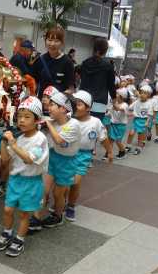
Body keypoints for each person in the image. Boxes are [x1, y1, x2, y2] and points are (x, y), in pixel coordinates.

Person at [0, 96, 49, 257]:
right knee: (8, 210)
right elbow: (4, 160)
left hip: (31, 182)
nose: (22, 120)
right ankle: (7, 232)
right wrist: (4, 143)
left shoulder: (40, 139)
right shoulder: (18, 137)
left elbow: (29, 159)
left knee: (24, 213)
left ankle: (19, 239)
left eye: (27, 117)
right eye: (19, 117)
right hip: (15, 180)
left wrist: (13, 143)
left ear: (37, 120)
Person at [70, 90, 112, 221]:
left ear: (88, 108)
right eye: (73, 104)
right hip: (66, 153)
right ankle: (59, 204)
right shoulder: (68, 118)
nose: (74, 107)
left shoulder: (95, 122)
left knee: (75, 182)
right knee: (63, 182)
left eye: (79, 104)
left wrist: (110, 151)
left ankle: (70, 206)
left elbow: (103, 138)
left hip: (83, 155)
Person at [41, 92, 81, 228]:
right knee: (43, 190)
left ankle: (58, 216)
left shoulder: (74, 124)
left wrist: (48, 124)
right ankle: (35, 218)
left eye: (52, 105)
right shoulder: (53, 121)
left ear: (63, 108)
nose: (48, 107)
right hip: (53, 157)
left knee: (58, 194)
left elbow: (59, 140)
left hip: (67, 163)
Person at [79, 38, 117, 121]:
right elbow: (111, 86)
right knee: (95, 127)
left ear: (94, 48)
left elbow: (81, 78)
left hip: (83, 101)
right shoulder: (108, 66)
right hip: (99, 103)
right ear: (105, 50)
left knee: (81, 126)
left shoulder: (85, 63)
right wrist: (114, 102)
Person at [31, 26, 75, 95]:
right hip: (41, 100)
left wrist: (58, 97)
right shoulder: (40, 60)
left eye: (56, 41)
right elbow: (33, 82)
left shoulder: (67, 62)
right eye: (50, 40)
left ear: (62, 43)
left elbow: (71, 89)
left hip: (58, 101)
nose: (52, 44)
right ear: (45, 41)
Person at [126, 85, 154, 155]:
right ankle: (128, 146)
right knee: (131, 133)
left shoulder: (149, 104)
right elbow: (130, 108)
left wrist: (147, 122)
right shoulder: (137, 102)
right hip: (135, 120)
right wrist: (130, 112)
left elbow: (150, 114)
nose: (142, 94)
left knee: (140, 135)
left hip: (143, 121)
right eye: (141, 93)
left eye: (145, 93)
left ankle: (139, 147)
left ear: (148, 95)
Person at [109, 88, 129, 160]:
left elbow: (118, 109)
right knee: (111, 139)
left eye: (117, 94)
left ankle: (123, 152)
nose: (115, 95)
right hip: (113, 124)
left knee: (118, 141)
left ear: (122, 96)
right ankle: (109, 154)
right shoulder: (115, 103)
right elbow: (110, 112)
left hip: (121, 126)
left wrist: (113, 103)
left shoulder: (125, 105)